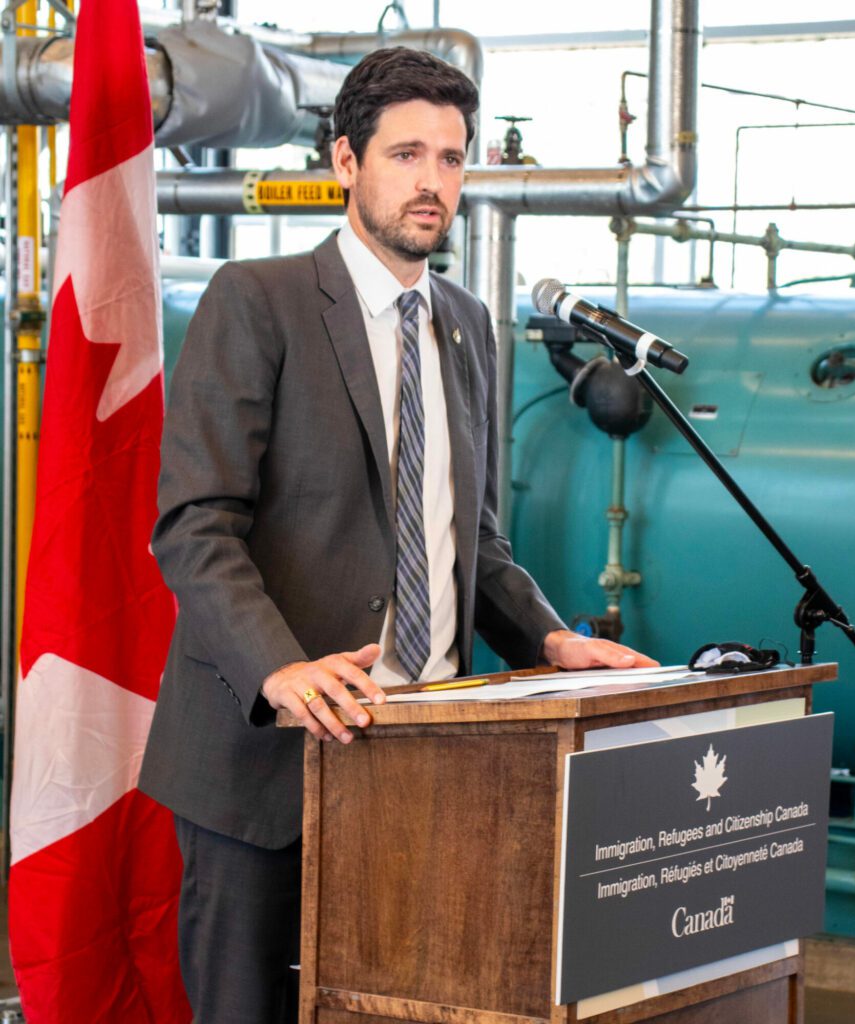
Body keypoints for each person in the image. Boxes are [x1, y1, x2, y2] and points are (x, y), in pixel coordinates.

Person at [139, 46, 658, 1024]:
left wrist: (550, 638)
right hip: (271, 759)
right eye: (406, 154)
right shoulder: (257, 301)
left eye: (451, 159)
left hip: (427, 753)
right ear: (345, 160)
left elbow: (472, 540)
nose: (432, 182)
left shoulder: (465, 324)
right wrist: (279, 669)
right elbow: (194, 524)